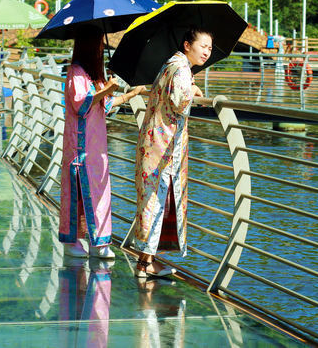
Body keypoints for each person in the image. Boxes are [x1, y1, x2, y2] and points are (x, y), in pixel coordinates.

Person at [132, 28, 213, 277]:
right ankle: (144, 264)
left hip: (155, 142)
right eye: (203, 46)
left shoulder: (171, 64)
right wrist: (192, 87)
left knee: (154, 200)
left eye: (210, 48)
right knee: (155, 201)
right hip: (162, 147)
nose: (207, 52)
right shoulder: (180, 68)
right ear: (187, 44)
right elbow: (180, 102)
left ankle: (147, 260)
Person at [60, 26, 143, 258]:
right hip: (80, 143)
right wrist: (105, 89)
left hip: (97, 145)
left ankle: (100, 241)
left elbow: (103, 105)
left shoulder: (94, 74)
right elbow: (81, 105)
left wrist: (129, 95)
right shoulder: (76, 72)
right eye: (98, 44)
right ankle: (72, 241)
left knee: (100, 189)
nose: (101, 49)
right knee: (79, 190)